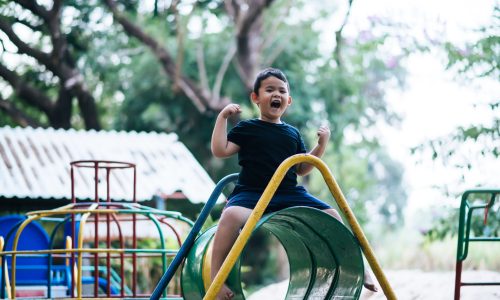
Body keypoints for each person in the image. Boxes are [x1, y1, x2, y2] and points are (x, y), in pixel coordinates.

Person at [210, 67, 377, 299]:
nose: (276, 94)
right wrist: (222, 118)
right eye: (269, 90)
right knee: (229, 216)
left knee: (332, 214)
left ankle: (361, 268)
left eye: (281, 91)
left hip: (288, 193)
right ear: (255, 98)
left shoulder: (292, 134)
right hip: (252, 193)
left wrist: (320, 146)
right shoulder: (247, 128)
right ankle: (215, 277)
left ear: (288, 100)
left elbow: (302, 168)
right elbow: (220, 150)